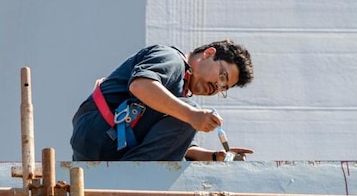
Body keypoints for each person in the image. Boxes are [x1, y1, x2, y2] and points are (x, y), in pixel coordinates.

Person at [70, 40, 254, 163]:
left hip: (110, 144)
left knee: (184, 119)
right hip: (101, 133)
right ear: (208, 53)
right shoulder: (172, 59)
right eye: (222, 77)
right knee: (188, 110)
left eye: (224, 88)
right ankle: (136, 178)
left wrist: (214, 157)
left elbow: (165, 142)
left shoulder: (179, 92)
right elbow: (140, 85)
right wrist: (192, 115)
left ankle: (134, 176)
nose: (217, 87)